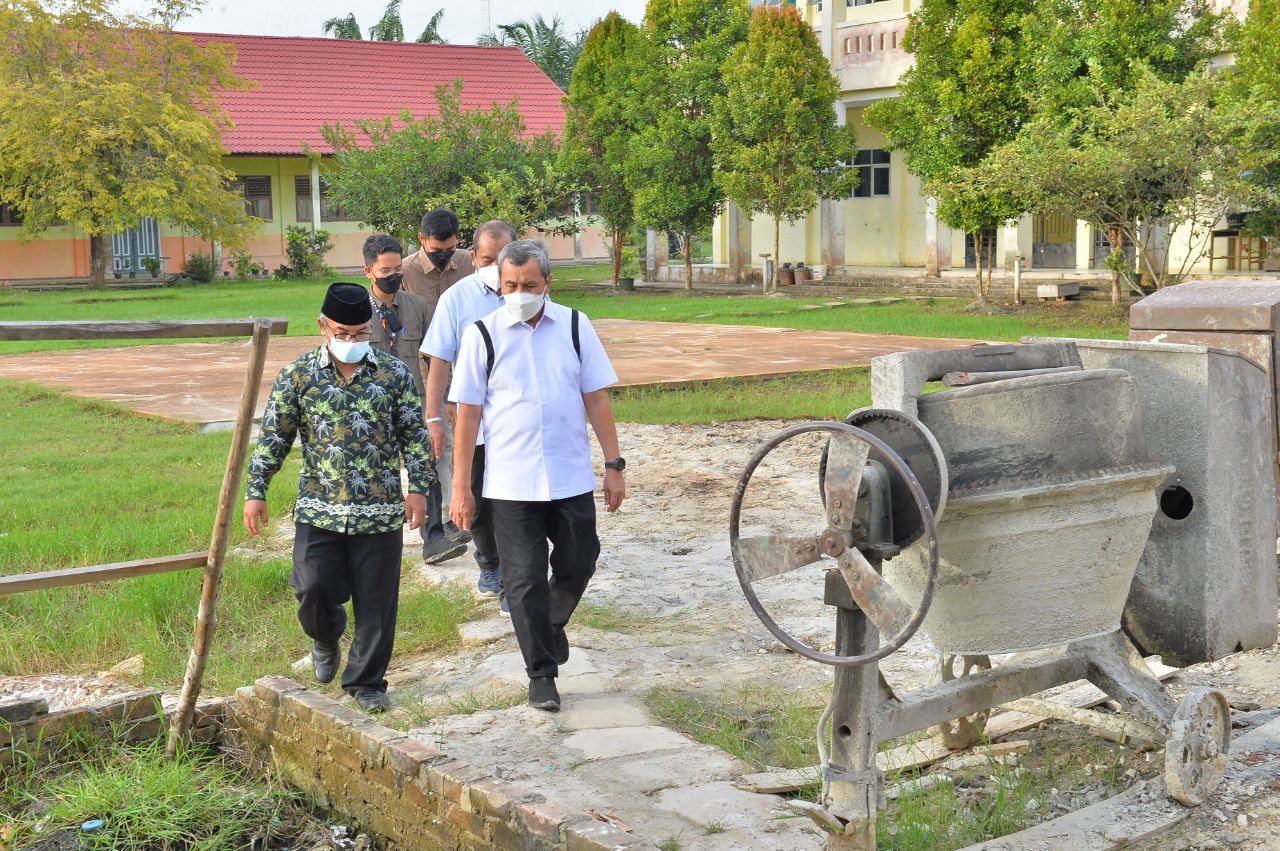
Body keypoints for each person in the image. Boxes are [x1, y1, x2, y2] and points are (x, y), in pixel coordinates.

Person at [449, 239, 626, 712]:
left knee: (580, 556)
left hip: (568, 476)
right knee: (523, 580)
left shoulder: (574, 326)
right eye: (510, 285)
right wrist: (461, 486)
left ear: (548, 282)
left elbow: (597, 398)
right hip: (510, 484)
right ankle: (541, 675)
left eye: (529, 284)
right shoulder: (481, 335)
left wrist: (613, 465)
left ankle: (551, 621)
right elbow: (466, 415)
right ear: (499, 285)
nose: (519, 292)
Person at [243, 282, 433, 714]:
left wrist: (419, 488)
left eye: (361, 333)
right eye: (343, 333)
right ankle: (325, 634)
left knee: (377, 604)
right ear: (323, 327)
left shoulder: (393, 374)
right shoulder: (298, 376)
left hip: (380, 509)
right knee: (311, 588)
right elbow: (274, 436)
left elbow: (415, 436)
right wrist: (257, 490)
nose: (352, 342)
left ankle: (366, 683)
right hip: (319, 508)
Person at [420, 220, 515, 607]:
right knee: (475, 495)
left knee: (514, 500)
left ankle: (514, 574)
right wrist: (434, 417)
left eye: (502, 257)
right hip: (471, 418)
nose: (495, 266)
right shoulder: (456, 299)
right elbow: (439, 360)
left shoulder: (527, 292)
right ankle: (488, 561)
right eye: (487, 258)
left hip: (515, 417)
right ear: (473, 257)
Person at [363, 233, 467, 565]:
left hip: (414, 403)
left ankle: (434, 537)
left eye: (398, 270)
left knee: (428, 465)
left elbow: (435, 358)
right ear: (369, 272)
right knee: (377, 473)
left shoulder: (417, 307)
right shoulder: (356, 311)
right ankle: (377, 538)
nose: (393, 277)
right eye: (385, 271)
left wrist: (445, 400)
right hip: (372, 406)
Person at [402, 208, 475, 565]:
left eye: (449, 249)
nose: (444, 256)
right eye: (436, 251)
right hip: (424, 376)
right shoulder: (403, 273)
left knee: (467, 448)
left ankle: (459, 518)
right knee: (432, 449)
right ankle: (436, 528)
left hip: (471, 372)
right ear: (421, 241)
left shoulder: (470, 263)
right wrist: (439, 398)